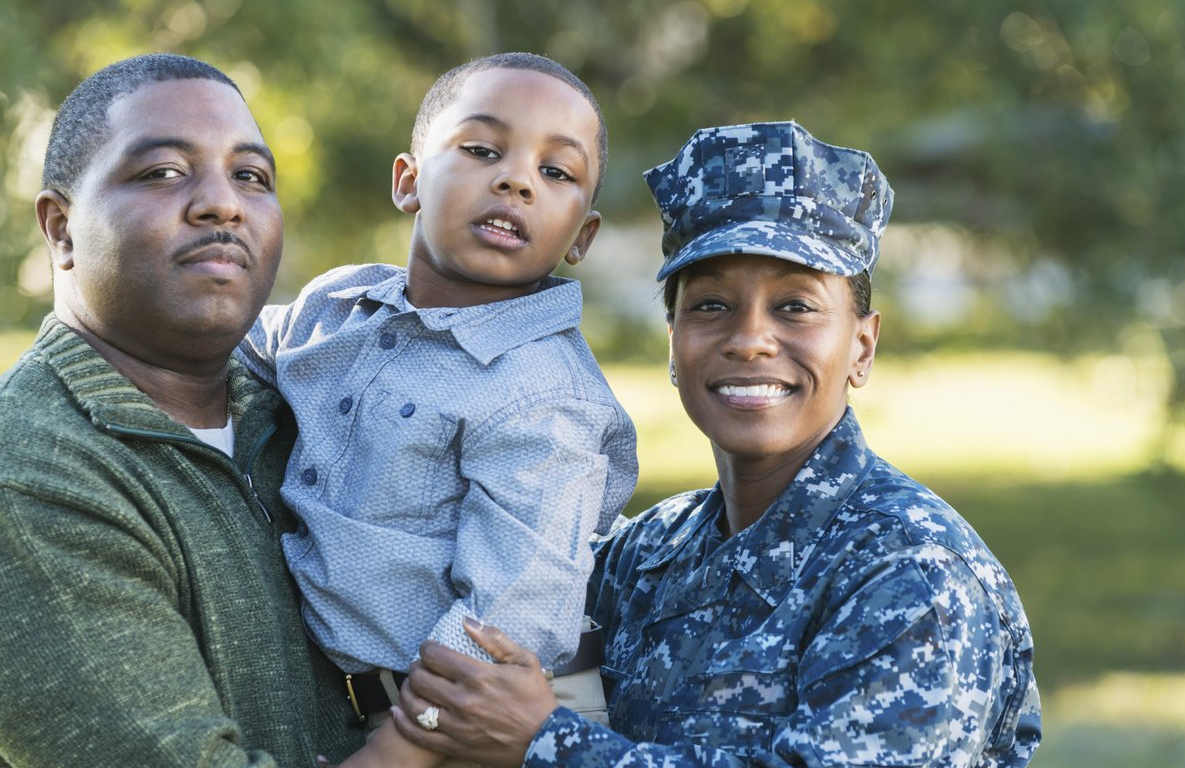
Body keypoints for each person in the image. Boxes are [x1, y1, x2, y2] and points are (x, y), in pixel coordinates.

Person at [390, 122, 1043, 767]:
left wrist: (547, 745)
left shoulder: (913, 578)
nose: (749, 340)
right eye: (710, 306)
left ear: (861, 347)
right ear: (673, 341)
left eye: (795, 307)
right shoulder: (643, 557)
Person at [0, 54, 363, 767]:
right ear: (60, 228)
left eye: (251, 177)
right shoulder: (23, 480)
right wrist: (433, 741)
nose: (222, 204)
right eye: (163, 172)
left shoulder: (306, 420)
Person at [235, 53, 638, 768]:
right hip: (330, 703)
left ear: (581, 234)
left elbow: (508, 613)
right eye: (482, 150)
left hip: (458, 731)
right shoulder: (338, 306)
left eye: (557, 173)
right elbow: (231, 350)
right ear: (409, 181)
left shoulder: (546, 398)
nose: (516, 179)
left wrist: (397, 750)